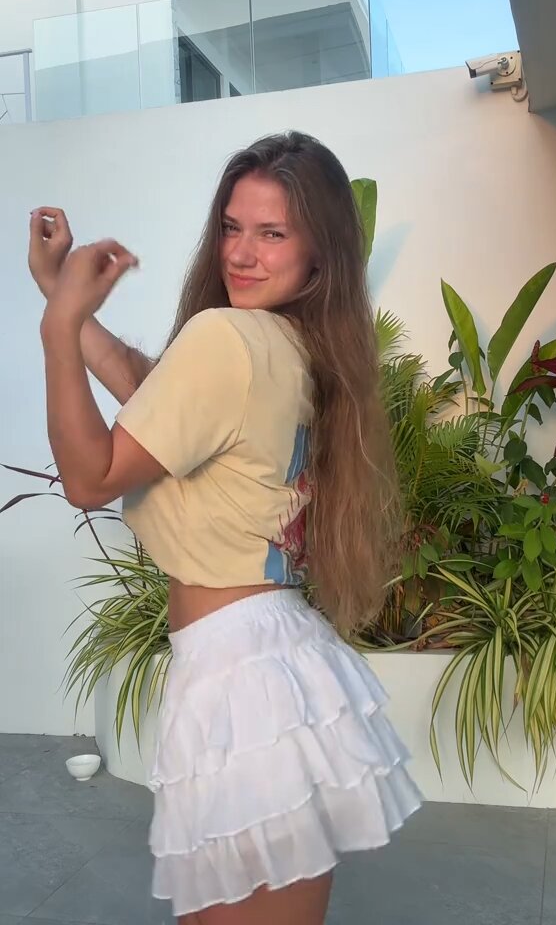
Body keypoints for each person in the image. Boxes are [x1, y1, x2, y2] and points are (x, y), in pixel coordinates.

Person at [29, 130, 421, 925]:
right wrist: (58, 295)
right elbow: (160, 397)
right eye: (233, 228)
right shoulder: (292, 343)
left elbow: (89, 478)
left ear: (319, 253)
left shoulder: (228, 338)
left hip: (240, 680)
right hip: (267, 660)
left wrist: (58, 328)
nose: (241, 253)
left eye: (272, 233)